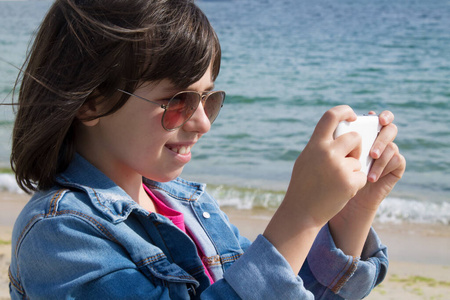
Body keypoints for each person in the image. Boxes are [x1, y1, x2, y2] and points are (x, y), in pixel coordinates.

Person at [8, 0, 406, 299]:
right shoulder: (58, 233)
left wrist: (350, 212)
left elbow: (287, 289)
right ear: (91, 102)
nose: (202, 122)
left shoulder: (190, 205)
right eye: (178, 101)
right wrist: (301, 214)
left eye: (208, 99)